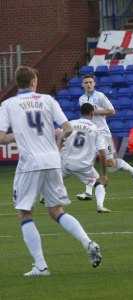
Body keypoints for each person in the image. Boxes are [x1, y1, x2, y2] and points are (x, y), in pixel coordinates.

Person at [0, 66, 102, 276]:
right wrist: (57, 141)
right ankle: (88, 242)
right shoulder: (47, 100)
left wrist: (18, 135)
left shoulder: (8, 104)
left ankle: (41, 266)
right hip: (53, 160)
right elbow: (67, 128)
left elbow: (1, 137)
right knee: (56, 211)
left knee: (24, 212)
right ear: (34, 82)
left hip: (30, 163)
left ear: (17, 83)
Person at [77, 74, 133, 201]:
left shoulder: (100, 96)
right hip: (90, 133)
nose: (88, 84)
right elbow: (85, 115)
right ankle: (88, 192)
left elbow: (112, 111)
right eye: (86, 82)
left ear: (94, 83)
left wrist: (96, 111)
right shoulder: (81, 99)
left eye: (90, 82)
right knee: (86, 160)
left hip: (102, 133)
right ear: (82, 85)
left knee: (110, 163)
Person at [60, 103, 111, 213]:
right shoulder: (96, 129)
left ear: (80, 113)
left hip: (66, 162)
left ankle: (41, 197)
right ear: (92, 113)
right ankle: (100, 206)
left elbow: (60, 137)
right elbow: (102, 153)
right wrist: (105, 174)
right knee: (98, 182)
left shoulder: (71, 124)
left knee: (53, 178)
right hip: (83, 165)